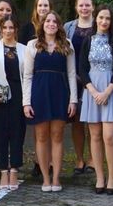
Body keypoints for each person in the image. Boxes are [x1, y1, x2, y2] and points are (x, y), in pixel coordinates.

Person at [23, 11, 77, 192]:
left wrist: (73, 100)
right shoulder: (32, 45)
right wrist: (26, 102)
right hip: (39, 94)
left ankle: (56, 178)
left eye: (55, 21)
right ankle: (45, 179)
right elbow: (27, 76)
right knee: (41, 136)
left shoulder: (67, 44)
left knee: (57, 136)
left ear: (59, 25)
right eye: (48, 21)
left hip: (60, 94)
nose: (51, 24)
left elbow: (72, 74)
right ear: (43, 23)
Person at [79, 5, 113, 194]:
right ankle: (100, 178)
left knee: (109, 137)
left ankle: (112, 179)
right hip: (92, 91)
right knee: (95, 136)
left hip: (112, 90)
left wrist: (107, 92)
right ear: (96, 19)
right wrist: (93, 92)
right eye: (101, 17)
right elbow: (82, 68)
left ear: (111, 21)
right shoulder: (87, 40)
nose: (104, 21)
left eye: (107, 18)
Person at [0, 16, 27, 191]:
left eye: (11, 27)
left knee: (17, 132)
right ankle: (3, 170)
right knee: (0, 133)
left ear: (16, 29)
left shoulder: (24, 49)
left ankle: (14, 169)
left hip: (19, 95)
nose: (8, 31)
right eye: (5, 27)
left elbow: (28, 75)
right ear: (1, 29)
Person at [21, 0, 55, 178]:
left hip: (52, 83)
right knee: (38, 127)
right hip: (35, 82)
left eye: (46, 5)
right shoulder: (28, 29)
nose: (43, 8)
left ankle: (51, 162)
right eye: (40, 5)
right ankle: (38, 161)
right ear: (35, 8)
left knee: (53, 128)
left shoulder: (54, 26)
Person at [65, 0, 95, 176]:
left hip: (94, 81)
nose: (84, 8)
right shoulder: (68, 27)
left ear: (93, 7)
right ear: (76, 8)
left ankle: (92, 159)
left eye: (87, 5)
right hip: (73, 80)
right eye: (81, 5)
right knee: (76, 121)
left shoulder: (100, 24)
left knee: (92, 121)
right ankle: (79, 159)